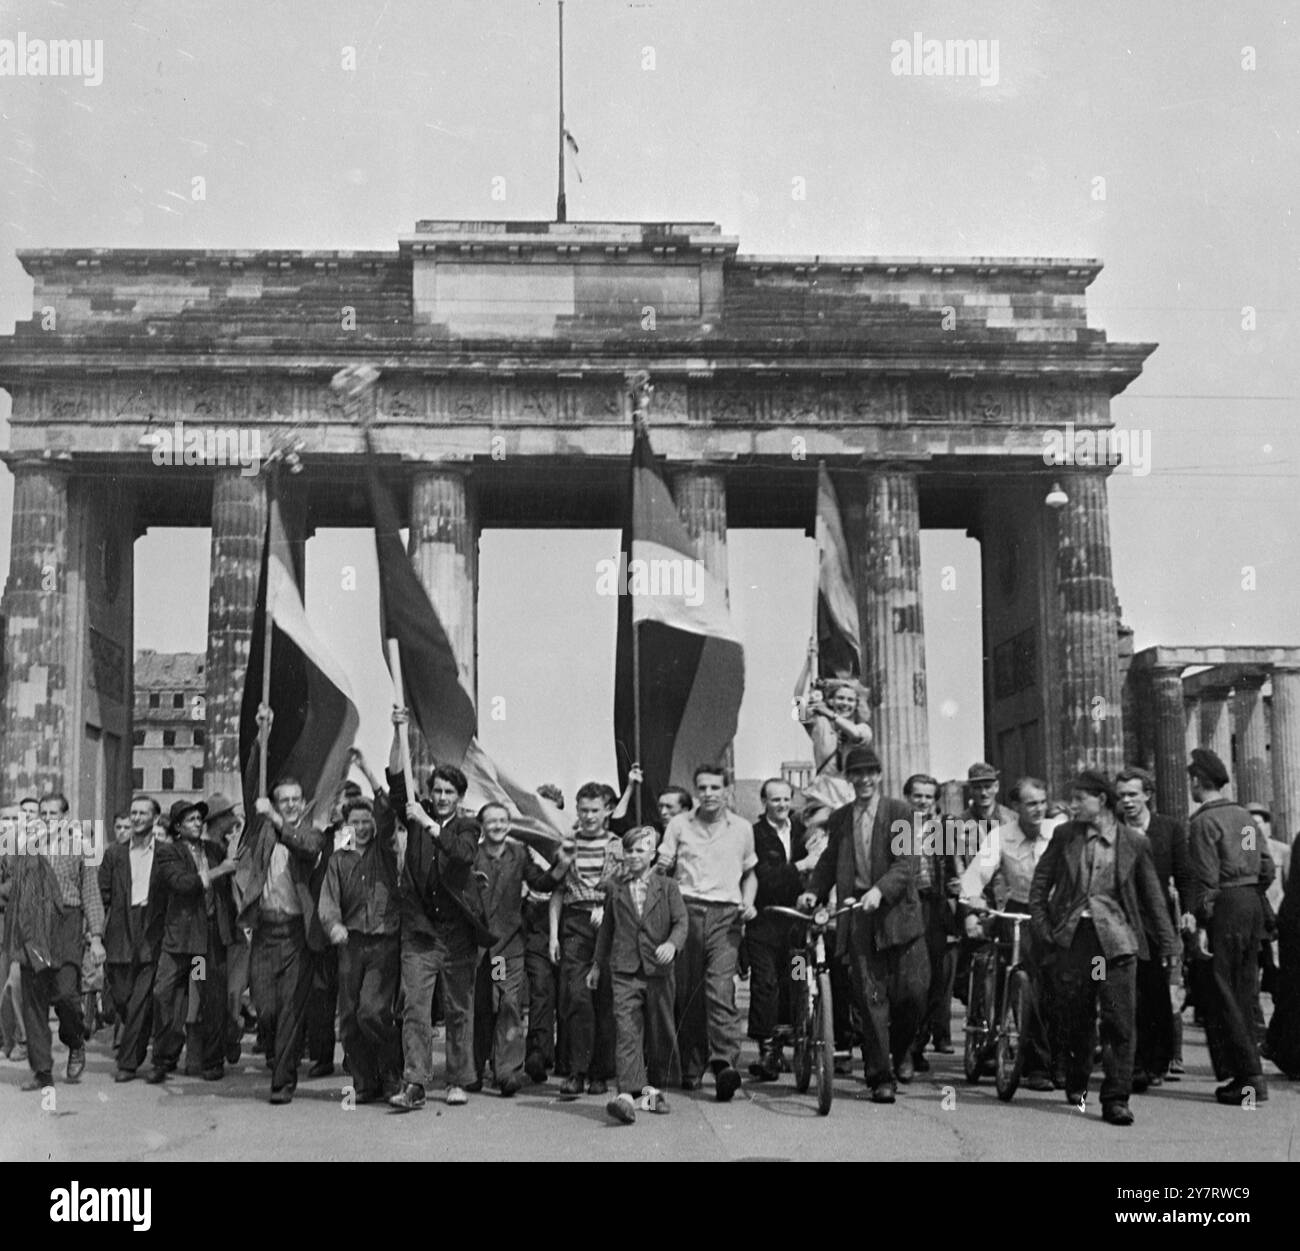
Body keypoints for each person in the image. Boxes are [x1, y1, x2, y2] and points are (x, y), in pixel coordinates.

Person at [1028, 771, 1180, 1127]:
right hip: (1077, 941)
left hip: (1116, 942)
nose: (1074, 804)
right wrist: (1045, 929)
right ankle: (1079, 1082)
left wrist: (1170, 944)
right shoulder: (1065, 836)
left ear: (1101, 800)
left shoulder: (1133, 842)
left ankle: (1116, 1098)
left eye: (1081, 798)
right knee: (1078, 1018)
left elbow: (1153, 898)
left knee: (1119, 1021)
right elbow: (1040, 887)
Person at [799, 747, 926, 1102]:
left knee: (912, 996)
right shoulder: (840, 818)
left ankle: (901, 1052)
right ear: (849, 778)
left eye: (871, 772)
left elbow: (907, 864)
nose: (865, 779)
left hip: (899, 916)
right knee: (870, 1001)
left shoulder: (900, 813)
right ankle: (880, 1076)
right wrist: (814, 892)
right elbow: (827, 863)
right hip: (858, 918)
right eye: (857, 773)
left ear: (880, 775)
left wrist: (879, 891)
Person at [386, 709, 494, 1111]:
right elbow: (398, 782)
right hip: (420, 933)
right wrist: (399, 733)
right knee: (415, 1009)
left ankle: (457, 1078)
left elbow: (462, 855)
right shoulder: (415, 810)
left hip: (457, 934)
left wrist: (429, 825)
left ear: (460, 797)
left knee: (458, 1008)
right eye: (438, 791)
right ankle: (414, 1081)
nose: (443, 797)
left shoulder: (466, 827)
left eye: (450, 792)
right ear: (430, 791)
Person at [657, 764, 757, 1101]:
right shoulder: (679, 825)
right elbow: (662, 869)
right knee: (689, 996)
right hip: (687, 911)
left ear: (728, 790)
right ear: (696, 791)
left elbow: (750, 873)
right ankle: (691, 1066)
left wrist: (749, 901)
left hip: (726, 917)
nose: (709, 794)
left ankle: (725, 1062)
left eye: (716, 787)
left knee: (719, 988)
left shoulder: (742, 828)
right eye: (703, 788)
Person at [958, 776, 1064, 1091]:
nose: (1038, 809)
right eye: (1031, 803)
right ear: (1015, 807)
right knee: (1023, 987)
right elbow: (977, 872)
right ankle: (1036, 1065)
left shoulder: (1058, 832)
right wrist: (974, 900)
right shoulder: (1001, 837)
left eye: (1042, 803)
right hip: (1019, 910)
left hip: (1055, 912)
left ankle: (1062, 1061)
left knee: (1060, 988)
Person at [1185, 748, 1273, 1106]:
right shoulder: (1244, 818)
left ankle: (1248, 1076)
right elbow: (1265, 866)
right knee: (1245, 988)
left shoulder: (1203, 823)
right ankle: (1248, 1073)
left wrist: (1203, 921)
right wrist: (1248, 891)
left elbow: (1206, 879)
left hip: (1224, 907)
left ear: (1195, 782)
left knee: (1223, 991)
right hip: (1252, 903)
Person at [235, 767, 328, 1106]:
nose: (289, 805)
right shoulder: (263, 831)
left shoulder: (312, 833)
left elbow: (304, 846)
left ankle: (283, 1082)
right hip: (264, 931)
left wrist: (275, 818)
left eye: (294, 800)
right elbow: (252, 792)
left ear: (303, 802)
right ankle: (278, 1053)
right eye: (282, 801)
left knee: (290, 1008)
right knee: (266, 1007)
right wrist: (262, 733)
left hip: (296, 934)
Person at [471, 802, 570, 1095]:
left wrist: (562, 864)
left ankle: (507, 1070)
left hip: (505, 947)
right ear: (481, 825)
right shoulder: (472, 855)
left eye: (503, 820)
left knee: (508, 1003)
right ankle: (475, 1069)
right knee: (481, 1007)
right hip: (477, 948)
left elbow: (540, 882)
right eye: (492, 821)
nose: (498, 826)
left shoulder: (518, 852)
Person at [9, 793, 105, 1090]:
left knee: (67, 994)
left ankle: (75, 1041)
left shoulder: (80, 850)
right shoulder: (26, 849)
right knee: (34, 1000)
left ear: (65, 817)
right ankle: (42, 1071)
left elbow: (90, 892)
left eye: (54, 814)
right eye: (44, 814)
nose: (49, 819)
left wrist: (97, 937)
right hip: (34, 926)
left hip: (67, 923)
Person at [591, 826, 687, 1123]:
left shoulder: (668, 886)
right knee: (627, 1029)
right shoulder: (615, 887)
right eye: (629, 850)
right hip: (624, 969)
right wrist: (596, 966)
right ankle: (625, 1095)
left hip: (658, 970)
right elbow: (606, 931)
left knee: (659, 1031)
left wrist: (672, 944)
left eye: (640, 850)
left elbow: (681, 922)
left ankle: (652, 1092)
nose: (633, 856)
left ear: (653, 854)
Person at [146, 799, 238, 1083]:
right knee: (165, 995)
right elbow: (181, 883)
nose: (197, 823)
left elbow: (236, 865)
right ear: (176, 827)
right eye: (190, 820)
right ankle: (164, 1057)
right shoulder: (168, 853)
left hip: (207, 940)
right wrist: (221, 869)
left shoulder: (214, 849)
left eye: (199, 819)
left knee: (211, 998)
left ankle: (212, 1060)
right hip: (181, 939)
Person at [319, 793, 402, 1103]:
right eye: (355, 822)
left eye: (367, 821)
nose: (363, 827)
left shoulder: (386, 850)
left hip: (383, 942)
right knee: (351, 1018)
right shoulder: (340, 858)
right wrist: (333, 925)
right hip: (351, 944)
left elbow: (387, 816)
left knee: (373, 1011)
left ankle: (391, 1073)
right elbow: (328, 900)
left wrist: (369, 772)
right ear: (346, 826)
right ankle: (364, 1081)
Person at [1115, 766, 1193, 1092]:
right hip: (1121, 920)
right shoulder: (1114, 831)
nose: (1127, 801)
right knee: (1124, 993)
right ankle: (1132, 1064)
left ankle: (1156, 1060)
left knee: (1156, 993)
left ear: (1147, 794)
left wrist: (1188, 911)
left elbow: (1185, 873)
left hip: (1155, 922)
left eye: (1133, 794)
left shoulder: (1169, 829)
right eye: (1121, 796)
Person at [549, 781, 621, 1096]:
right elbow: (557, 891)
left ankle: (600, 1072)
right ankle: (577, 1071)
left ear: (607, 811)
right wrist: (553, 936)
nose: (589, 816)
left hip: (610, 923)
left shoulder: (618, 846)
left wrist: (607, 908)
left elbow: (630, 887)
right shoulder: (566, 844)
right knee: (577, 997)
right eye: (583, 810)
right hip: (575, 923)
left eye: (595, 810)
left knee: (605, 999)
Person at [746, 777, 814, 1080]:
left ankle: (793, 1041)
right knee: (765, 982)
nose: (782, 805)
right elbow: (766, 876)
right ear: (764, 802)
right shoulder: (755, 834)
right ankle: (767, 1048)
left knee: (797, 979)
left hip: (798, 927)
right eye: (775, 800)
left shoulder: (803, 832)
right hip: (765, 924)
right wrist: (802, 866)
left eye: (786, 799)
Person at [98, 793, 168, 1081]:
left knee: (141, 997)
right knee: (123, 997)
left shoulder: (165, 852)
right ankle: (137, 1040)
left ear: (155, 818)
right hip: (120, 929)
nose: (137, 818)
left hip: (151, 927)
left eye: (143, 813)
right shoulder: (115, 853)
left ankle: (128, 1062)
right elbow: (102, 894)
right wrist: (94, 935)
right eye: (134, 813)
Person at [904, 773, 961, 1071]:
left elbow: (951, 866)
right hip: (906, 906)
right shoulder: (899, 826)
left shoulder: (942, 828)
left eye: (929, 796)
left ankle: (918, 1044)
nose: (923, 801)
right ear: (907, 797)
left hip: (934, 907)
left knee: (934, 981)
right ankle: (905, 1045)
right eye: (918, 796)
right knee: (911, 981)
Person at [523, 787, 564, 1083]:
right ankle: (538, 1051)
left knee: (569, 992)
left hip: (569, 924)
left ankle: (566, 1055)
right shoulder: (522, 844)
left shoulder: (570, 844)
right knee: (540, 988)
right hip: (534, 924)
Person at [798, 680, 873, 830]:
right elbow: (797, 702)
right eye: (840, 698)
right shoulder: (820, 724)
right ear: (831, 701)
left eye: (850, 700)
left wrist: (830, 714)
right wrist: (808, 663)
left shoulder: (863, 729)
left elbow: (855, 734)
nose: (845, 703)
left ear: (857, 704)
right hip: (822, 793)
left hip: (849, 793)